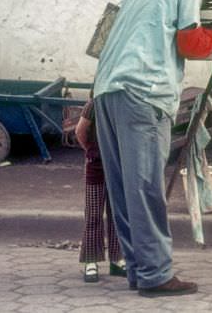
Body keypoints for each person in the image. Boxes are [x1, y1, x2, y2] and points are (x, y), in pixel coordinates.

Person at [93, 0, 212, 297]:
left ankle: (140, 270)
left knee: (124, 187)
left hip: (108, 91)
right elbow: (189, 43)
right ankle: (155, 275)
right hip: (144, 92)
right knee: (145, 186)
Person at [74, 91, 125, 283]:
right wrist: (91, 150)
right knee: (94, 215)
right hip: (96, 165)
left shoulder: (122, 105)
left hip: (118, 166)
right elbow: (80, 131)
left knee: (117, 214)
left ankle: (117, 259)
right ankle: (91, 261)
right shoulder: (93, 105)